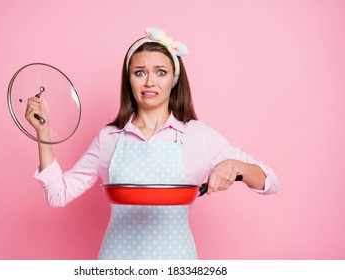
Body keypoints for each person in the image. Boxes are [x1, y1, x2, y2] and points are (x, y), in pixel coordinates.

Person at [26, 27, 278, 260]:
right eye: (139, 72)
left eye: (160, 72)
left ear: (174, 79)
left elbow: (270, 181)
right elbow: (58, 194)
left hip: (176, 261)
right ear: (129, 79)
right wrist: (43, 132)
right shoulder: (109, 138)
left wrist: (237, 167)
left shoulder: (196, 135)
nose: (149, 82)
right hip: (117, 260)